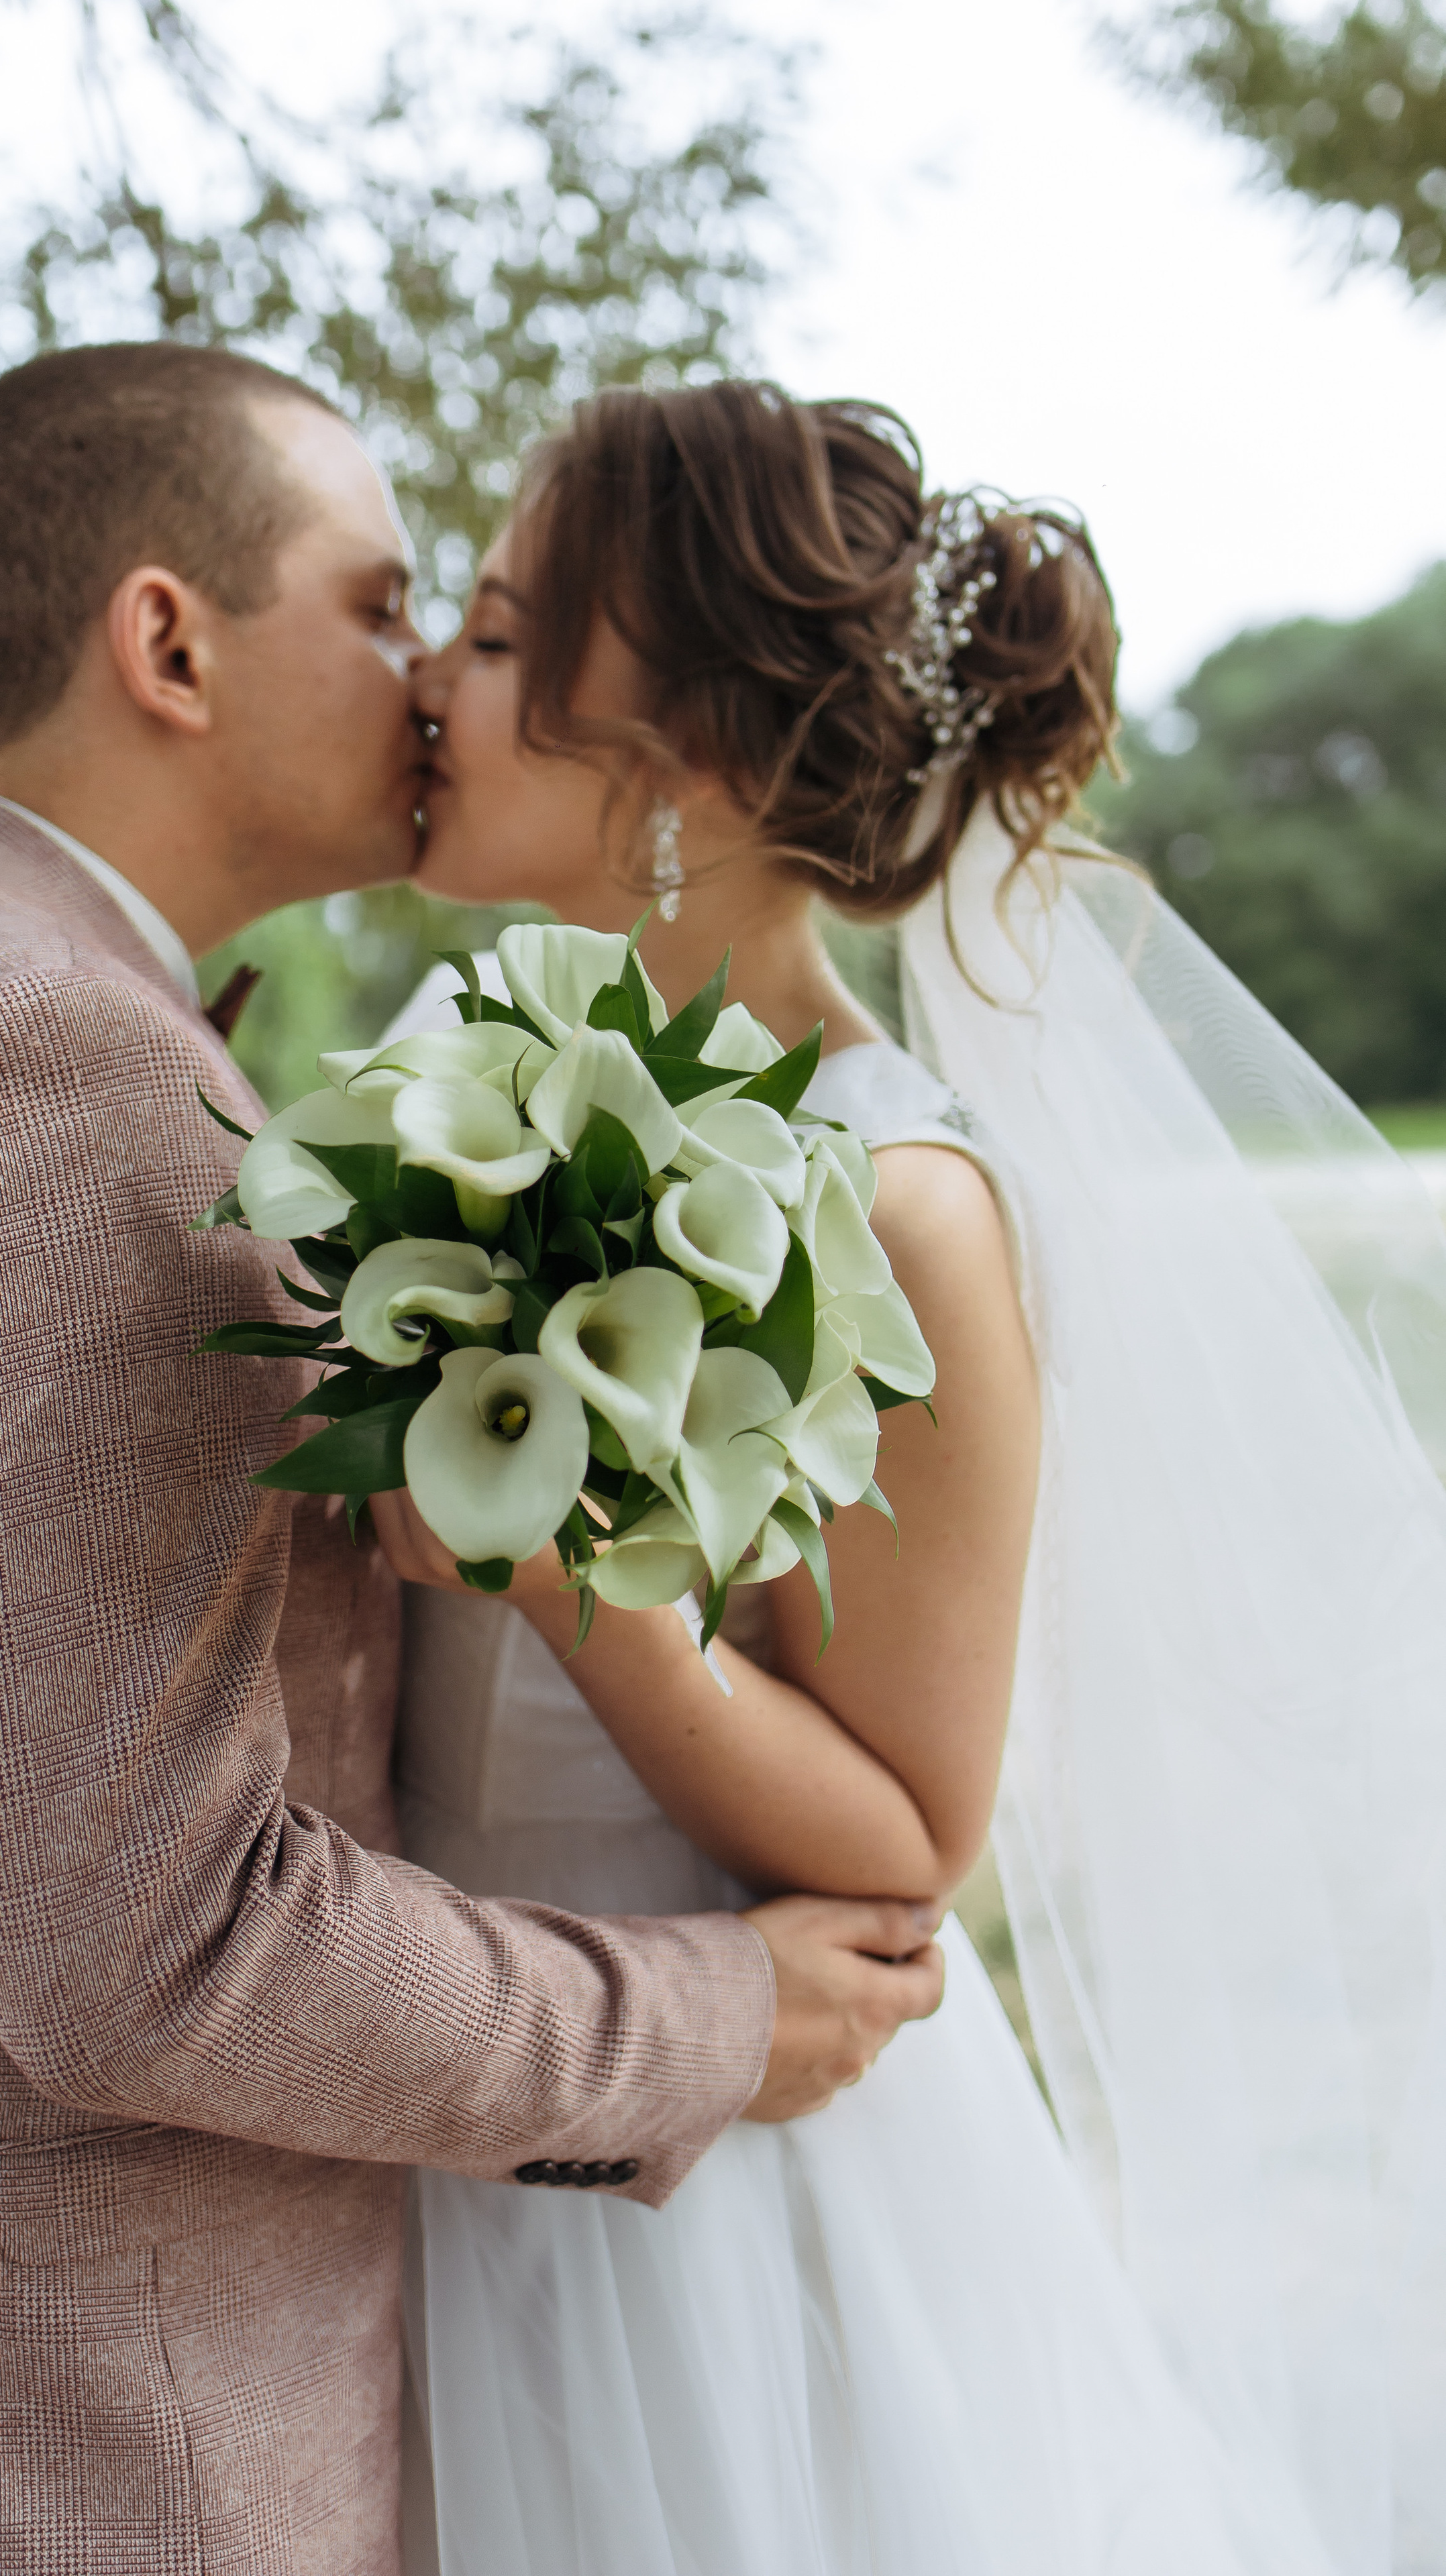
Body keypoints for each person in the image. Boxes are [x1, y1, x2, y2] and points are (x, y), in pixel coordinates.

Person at [0, 345, 946, 2576]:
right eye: (392, 605)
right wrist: (714, 2014)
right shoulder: (45, 1076)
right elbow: (152, 1946)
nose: (428, 684)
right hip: (74, 2452)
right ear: (169, 643)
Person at [377, 381, 1446, 2575]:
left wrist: (572, 1581)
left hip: (726, 2220)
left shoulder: (902, 1202)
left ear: (666, 765)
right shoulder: (455, 1093)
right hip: (438, 2114)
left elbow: (916, 1844)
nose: (429, 682)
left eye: (493, 638)